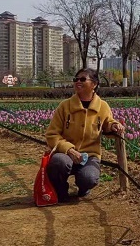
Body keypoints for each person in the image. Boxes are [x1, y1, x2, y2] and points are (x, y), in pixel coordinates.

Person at [45, 68, 125, 202]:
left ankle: (83, 189)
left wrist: (114, 125)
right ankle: (60, 191)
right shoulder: (65, 106)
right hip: (65, 154)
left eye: (82, 79)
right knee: (58, 162)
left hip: (90, 155)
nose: (78, 82)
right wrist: (69, 149)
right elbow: (52, 134)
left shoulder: (102, 106)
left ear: (94, 84)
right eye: (76, 79)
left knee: (89, 178)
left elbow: (107, 123)